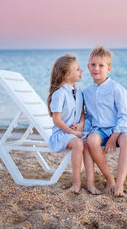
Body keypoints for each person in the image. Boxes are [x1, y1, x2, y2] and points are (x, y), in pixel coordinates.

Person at [83, 46, 127, 197]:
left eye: (101, 65)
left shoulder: (116, 89)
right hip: (100, 130)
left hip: (118, 129)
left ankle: (120, 184)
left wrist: (115, 135)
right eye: (93, 64)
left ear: (109, 68)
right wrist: (83, 130)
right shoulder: (87, 92)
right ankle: (110, 179)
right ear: (88, 66)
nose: (96, 68)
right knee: (91, 140)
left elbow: (124, 115)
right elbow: (88, 117)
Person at [47, 53, 86, 194]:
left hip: (75, 132)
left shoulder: (79, 91)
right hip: (62, 134)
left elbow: (83, 113)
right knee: (78, 143)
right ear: (66, 74)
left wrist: (81, 124)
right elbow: (56, 120)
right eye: (77, 69)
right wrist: (73, 133)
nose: (81, 71)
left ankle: (90, 180)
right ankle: (76, 182)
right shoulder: (60, 93)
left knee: (91, 139)